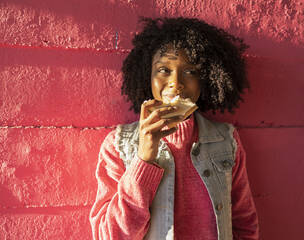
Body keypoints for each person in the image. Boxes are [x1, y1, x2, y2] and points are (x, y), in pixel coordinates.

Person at [89, 17, 259, 240]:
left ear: (206, 78)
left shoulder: (226, 141)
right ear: (147, 75)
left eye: (190, 72)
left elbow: (244, 224)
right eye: (163, 70)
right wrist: (144, 159)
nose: (176, 83)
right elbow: (110, 235)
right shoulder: (118, 145)